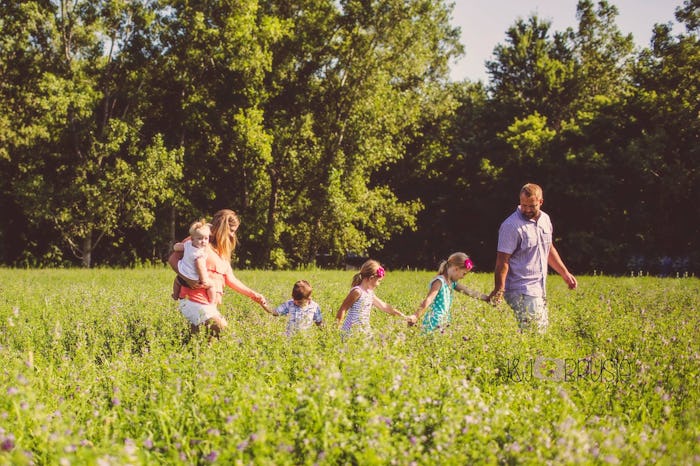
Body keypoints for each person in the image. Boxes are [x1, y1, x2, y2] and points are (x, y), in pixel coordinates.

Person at [487, 183, 577, 332]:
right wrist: (499, 289)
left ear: (540, 202)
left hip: (538, 288)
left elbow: (547, 248)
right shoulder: (511, 226)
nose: (527, 210)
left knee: (536, 333)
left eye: (532, 206)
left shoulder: (545, 220)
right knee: (537, 333)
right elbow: (502, 261)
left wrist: (564, 273)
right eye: (524, 205)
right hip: (520, 289)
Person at [168, 209, 268, 337]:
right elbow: (172, 259)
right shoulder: (199, 238)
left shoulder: (222, 250)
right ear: (222, 227)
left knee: (202, 342)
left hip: (208, 303)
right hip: (193, 299)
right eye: (231, 231)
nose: (232, 235)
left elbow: (231, 279)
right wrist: (186, 279)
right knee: (222, 328)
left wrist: (254, 295)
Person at [411, 252, 489, 333]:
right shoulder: (439, 281)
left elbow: (469, 292)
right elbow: (428, 300)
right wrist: (416, 315)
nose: (463, 277)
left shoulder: (452, 283)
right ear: (456, 269)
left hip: (444, 321)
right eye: (464, 273)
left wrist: (487, 298)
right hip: (434, 321)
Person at [336, 259, 415, 336]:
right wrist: (336, 328)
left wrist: (404, 317)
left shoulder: (370, 294)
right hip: (351, 333)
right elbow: (343, 309)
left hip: (363, 331)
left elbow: (385, 307)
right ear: (371, 278)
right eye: (378, 281)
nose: (378, 284)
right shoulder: (357, 292)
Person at [171, 219, 219, 303]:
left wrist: (175, 246)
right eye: (200, 238)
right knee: (212, 286)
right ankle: (212, 301)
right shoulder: (200, 253)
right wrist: (204, 280)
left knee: (176, 282)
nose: (203, 241)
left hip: (183, 275)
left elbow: (178, 247)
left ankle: (175, 295)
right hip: (195, 279)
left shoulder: (188, 244)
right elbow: (200, 266)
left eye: (206, 238)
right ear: (192, 239)